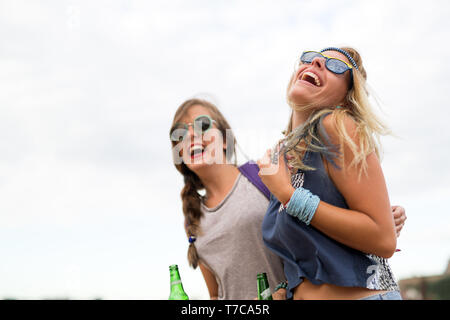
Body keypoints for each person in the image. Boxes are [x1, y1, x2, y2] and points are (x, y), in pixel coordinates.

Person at [169, 97, 407, 300]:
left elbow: (323, 214)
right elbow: (216, 293)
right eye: (180, 132)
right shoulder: (192, 219)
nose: (191, 135)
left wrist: (379, 219)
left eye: (201, 125)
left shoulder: (265, 175)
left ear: (224, 139)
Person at [258, 47, 404, 300]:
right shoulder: (280, 157)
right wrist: (287, 288)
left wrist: (289, 196)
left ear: (346, 99)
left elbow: (383, 239)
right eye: (310, 58)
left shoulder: (336, 125)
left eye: (336, 66)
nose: (316, 61)